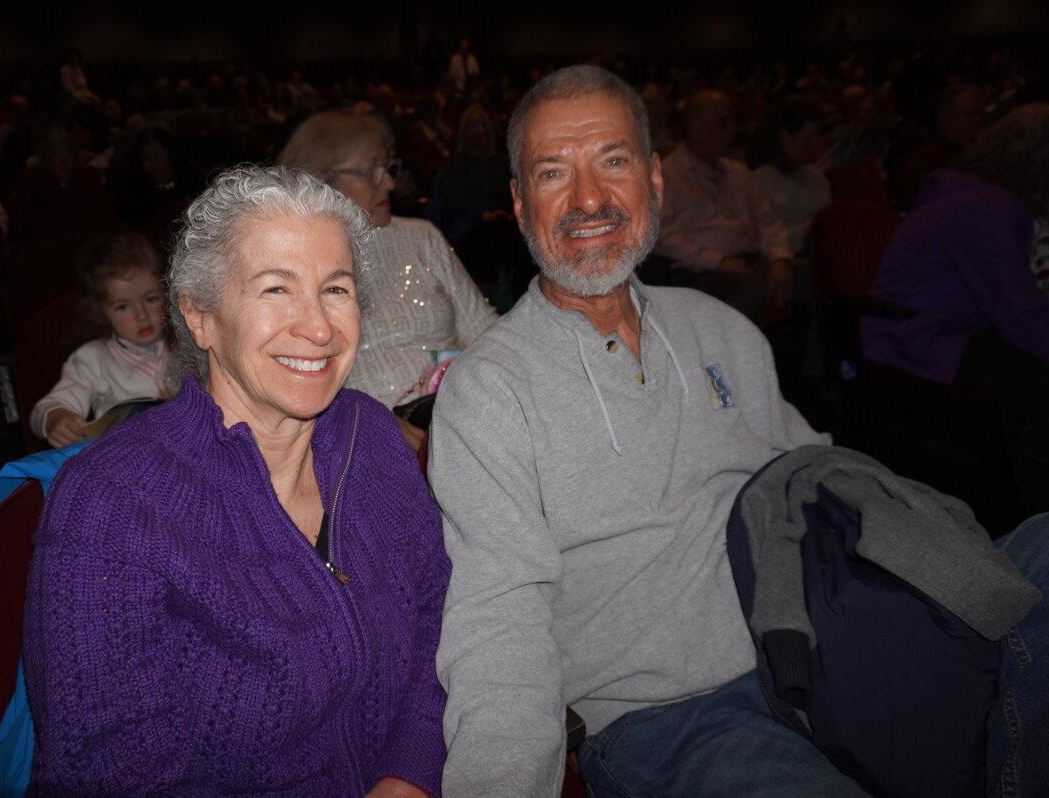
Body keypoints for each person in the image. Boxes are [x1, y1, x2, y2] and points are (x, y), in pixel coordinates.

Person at [429, 64, 1049, 798]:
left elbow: (811, 477)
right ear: (519, 203)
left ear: (654, 180)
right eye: (553, 172)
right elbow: (497, 623)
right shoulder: (489, 391)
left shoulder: (722, 329)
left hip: (821, 641)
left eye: (614, 162)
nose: (589, 199)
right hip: (675, 717)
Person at [21, 165, 449, 796]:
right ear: (200, 317)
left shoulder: (372, 437)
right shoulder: (109, 505)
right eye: (276, 289)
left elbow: (438, 616)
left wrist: (408, 774)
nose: (320, 328)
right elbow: (107, 772)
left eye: (335, 289)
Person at [862, 103, 1049, 518]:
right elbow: (1017, 311)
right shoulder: (982, 208)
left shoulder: (980, 198)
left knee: (1026, 356)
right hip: (910, 338)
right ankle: (1037, 511)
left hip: (935, 328)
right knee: (1032, 368)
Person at [278, 110, 496, 449]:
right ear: (321, 181)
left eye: (387, 167)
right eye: (369, 171)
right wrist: (374, 425)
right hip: (364, 443)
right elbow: (288, 387)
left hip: (465, 415)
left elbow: (486, 332)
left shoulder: (421, 237)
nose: (389, 183)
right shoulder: (292, 266)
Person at [655, 89, 794, 321]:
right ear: (696, 126)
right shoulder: (667, 175)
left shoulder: (739, 172)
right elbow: (662, 236)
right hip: (699, 272)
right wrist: (717, 261)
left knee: (807, 275)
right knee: (749, 287)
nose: (731, 130)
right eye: (722, 122)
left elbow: (767, 220)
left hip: (752, 261)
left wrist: (780, 258)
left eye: (731, 121)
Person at [30, 232, 173, 448]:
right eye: (122, 307)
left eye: (151, 299)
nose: (141, 316)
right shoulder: (92, 359)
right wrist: (56, 418)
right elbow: (46, 408)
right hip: (127, 458)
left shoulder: (189, 341)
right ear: (101, 311)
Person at [747, 99, 831, 255]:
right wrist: (810, 230)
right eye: (807, 139)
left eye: (815, 138)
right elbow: (765, 238)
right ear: (785, 138)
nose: (812, 145)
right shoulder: (758, 181)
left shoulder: (816, 176)